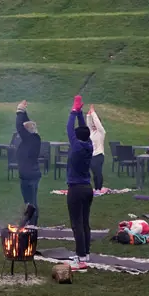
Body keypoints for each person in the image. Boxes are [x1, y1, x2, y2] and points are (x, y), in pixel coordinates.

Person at [65, 95, 94, 271]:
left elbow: (69, 128)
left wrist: (73, 111)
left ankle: (81, 258)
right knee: (84, 222)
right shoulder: (89, 145)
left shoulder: (76, 146)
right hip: (87, 189)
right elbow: (82, 129)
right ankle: (86, 253)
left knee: (77, 224)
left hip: (75, 189)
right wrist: (80, 113)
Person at [15, 100, 42, 226]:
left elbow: (20, 127)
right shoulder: (34, 138)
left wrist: (20, 110)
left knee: (31, 203)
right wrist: (24, 113)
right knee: (30, 201)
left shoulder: (31, 139)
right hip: (30, 174)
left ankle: (32, 225)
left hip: (29, 175)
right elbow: (26, 125)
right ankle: (31, 223)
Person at [85, 104, 106, 191]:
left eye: (95, 123)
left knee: (98, 172)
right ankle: (96, 188)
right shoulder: (91, 132)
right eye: (93, 123)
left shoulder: (101, 132)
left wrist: (93, 112)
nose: (93, 124)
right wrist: (89, 115)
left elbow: (97, 122)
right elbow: (89, 124)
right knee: (94, 173)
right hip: (92, 155)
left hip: (99, 155)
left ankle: (99, 188)